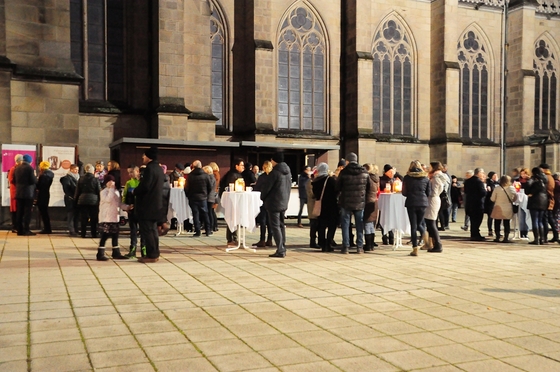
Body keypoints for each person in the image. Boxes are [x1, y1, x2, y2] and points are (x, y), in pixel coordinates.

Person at [134, 146, 165, 262]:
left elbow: (145, 186)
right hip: (156, 204)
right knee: (153, 231)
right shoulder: (159, 169)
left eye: (144, 155)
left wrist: (135, 191)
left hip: (147, 205)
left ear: (149, 157)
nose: (142, 157)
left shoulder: (149, 169)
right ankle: (155, 253)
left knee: (147, 231)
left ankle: (151, 255)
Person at [336, 152, 370, 254]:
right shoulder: (364, 172)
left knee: (345, 224)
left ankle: (346, 246)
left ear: (347, 161)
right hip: (360, 202)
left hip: (346, 202)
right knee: (359, 224)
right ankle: (360, 246)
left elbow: (337, 187)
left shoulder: (344, 172)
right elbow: (368, 187)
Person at [261, 152, 292, 258]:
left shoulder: (275, 172)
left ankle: (280, 249)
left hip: (274, 202)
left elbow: (267, 188)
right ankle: (283, 246)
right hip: (283, 201)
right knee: (281, 225)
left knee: (275, 226)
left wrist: (262, 197)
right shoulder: (288, 172)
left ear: (274, 160)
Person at [402, 160, 429, 256]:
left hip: (411, 202)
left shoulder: (407, 177)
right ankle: (426, 238)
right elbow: (428, 192)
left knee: (413, 225)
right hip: (423, 202)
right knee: (420, 223)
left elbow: (404, 192)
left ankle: (415, 248)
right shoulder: (425, 178)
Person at [96, 175, 127, 261]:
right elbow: (108, 199)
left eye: (112, 181)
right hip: (106, 217)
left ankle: (116, 252)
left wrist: (126, 207)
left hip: (114, 217)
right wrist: (111, 189)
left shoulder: (116, 191)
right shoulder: (104, 192)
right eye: (109, 181)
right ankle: (100, 253)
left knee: (115, 235)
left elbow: (118, 203)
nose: (111, 183)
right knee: (104, 235)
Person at [313, 163, 338, 252]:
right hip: (331, 205)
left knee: (321, 226)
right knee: (332, 225)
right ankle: (328, 242)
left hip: (321, 206)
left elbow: (315, 194)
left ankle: (322, 244)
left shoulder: (315, 181)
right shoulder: (330, 180)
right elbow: (336, 191)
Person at [219, 158, 245, 246]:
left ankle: (234, 238)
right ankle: (231, 239)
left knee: (234, 219)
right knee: (232, 219)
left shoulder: (234, 174)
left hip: (234, 201)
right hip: (233, 201)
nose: (243, 167)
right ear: (236, 166)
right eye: (241, 165)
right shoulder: (233, 175)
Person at [185, 160, 213, 237]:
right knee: (205, 214)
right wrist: (205, 194)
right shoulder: (205, 175)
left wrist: (188, 195)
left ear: (193, 167)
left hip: (193, 198)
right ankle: (208, 231)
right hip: (203, 198)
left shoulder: (190, 176)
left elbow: (186, 188)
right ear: (201, 166)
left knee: (195, 214)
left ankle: (197, 231)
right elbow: (210, 187)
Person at [424, 161, 446, 253]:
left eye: (430, 167)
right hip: (432, 200)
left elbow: (434, 191)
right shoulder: (435, 177)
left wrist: (426, 191)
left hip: (433, 200)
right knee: (429, 222)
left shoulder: (436, 178)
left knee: (432, 222)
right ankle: (432, 243)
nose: (429, 168)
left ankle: (438, 244)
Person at [13, 154, 37, 236]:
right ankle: (26, 229)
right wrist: (35, 176)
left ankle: (19, 230)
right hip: (28, 193)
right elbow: (32, 181)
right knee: (27, 212)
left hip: (19, 193)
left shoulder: (17, 168)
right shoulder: (30, 168)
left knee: (19, 211)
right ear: (30, 161)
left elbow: (13, 180)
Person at [75, 163, 101, 238]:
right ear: (92, 171)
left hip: (82, 200)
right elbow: (98, 190)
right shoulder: (95, 180)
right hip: (93, 201)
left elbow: (77, 191)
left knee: (83, 218)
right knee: (94, 218)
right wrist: (100, 200)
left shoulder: (81, 179)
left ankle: (83, 233)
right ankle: (93, 233)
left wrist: (76, 200)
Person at [490, 175, 518, 243]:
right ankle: (506, 237)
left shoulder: (497, 188)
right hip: (508, 207)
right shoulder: (511, 188)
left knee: (497, 222)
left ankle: (497, 237)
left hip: (498, 207)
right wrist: (512, 200)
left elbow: (492, 199)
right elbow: (515, 197)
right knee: (506, 223)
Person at [253, 160, 273, 248]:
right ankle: (270, 239)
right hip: (272, 200)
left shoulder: (262, 177)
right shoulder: (273, 176)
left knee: (263, 221)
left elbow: (257, 188)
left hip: (263, 200)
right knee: (270, 222)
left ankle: (262, 240)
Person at [526, 167, 549, 245]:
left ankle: (536, 239)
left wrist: (530, 179)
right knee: (540, 221)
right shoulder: (545, 179)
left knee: (535, 220)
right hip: (543, 200)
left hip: (535, 201)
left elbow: (527, 188)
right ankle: (542, 239)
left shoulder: (535, 180)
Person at [122, 165, 140, 257]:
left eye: (131, 172)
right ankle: (132, 249)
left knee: (143, 231)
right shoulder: (129, 183)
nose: (130, 174)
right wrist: (126, 206)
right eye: (128, 172)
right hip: (132, 209)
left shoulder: (142, 182)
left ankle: (144, 249)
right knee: (133, 230)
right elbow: (125, 196)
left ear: (137, 171)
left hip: (141, 210)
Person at [463, 167, 487, 241]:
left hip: (470, 203)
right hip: (478, 204)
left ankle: (474, 233)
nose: (483, 174)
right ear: (479, 173)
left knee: (473, 219)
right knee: (478, 219)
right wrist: (486, 190)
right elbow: (483, 193)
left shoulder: (467, 181)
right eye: (482, 173)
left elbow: (466, 191)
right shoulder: (479, 182)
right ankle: (476, 234)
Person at [362, 163, 379, 252]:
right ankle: (371, 244)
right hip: (374, 202)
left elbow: (364, 189)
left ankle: (368, 245)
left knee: (367, 223)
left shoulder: (367, 178)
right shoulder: (376, 178)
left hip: (367, 201)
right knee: (371, 224)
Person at [60, 164, 80, 236]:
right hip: (70, 198)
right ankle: (72, 230)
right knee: (71, 215)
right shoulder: (67, 178)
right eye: (75, 170)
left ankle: (76, 229)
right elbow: (67, 189)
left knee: (76, 215)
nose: (77, 171)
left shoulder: (78, 177)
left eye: (77, 170)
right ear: (71, 169)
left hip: (77, 199)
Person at [540, 163, 557, 243]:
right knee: (550, 219)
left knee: (546, 219)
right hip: (549, 200)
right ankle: (555, 235)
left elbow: (548, 189)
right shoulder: (550, 177)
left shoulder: (546, 177)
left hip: (547, 200)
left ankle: (545, 237)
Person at [379, 164, 396, 245]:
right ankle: (384, 237)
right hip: (384, 202)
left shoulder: (394, 179)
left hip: (392, 202)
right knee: (384, 219)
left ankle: (391, 237)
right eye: (390, 171)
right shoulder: (381, 179)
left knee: (392, 219)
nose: (392, 173)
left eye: (392, 171)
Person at [36, 161, 54, 234]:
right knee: (45, 211)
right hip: (46, 194)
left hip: (42, 195)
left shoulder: (43, 175)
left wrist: (36, 181)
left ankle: (47, 228)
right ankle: (47, 228)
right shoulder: (50, 174)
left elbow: (39, 186)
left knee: (43, 212)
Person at [8, 154, 23, 233]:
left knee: (18, 209)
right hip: (15, 192)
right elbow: (11, 179)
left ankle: (18, 226)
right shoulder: (13, 169)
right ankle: (15, 226)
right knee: (15, 209)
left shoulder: (17, 168)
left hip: (18, 191)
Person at [306, 167, 319, 248]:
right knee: (313, 225)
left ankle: (315, 241)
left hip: (316, 205)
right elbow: (311, 194)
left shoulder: (315, 181)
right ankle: (312, 242)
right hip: (312, 206)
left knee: (317, 224)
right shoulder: (310, 182)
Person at [518, 167, 531, 239]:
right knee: (521, 217)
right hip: (520, 199)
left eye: (524, 173)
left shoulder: (529, 180)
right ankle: (521, 232)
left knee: (527, 216)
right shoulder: (517, 180)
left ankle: (526, 232)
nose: (523, 175)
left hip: (527, 199)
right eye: (521, 173)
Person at [485, 171, 499, 237]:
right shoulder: (488, 182)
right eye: (494, 176)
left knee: (497, 217)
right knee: (490, 217)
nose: (496, 177)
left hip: (497, 202)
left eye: (496, 175)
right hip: (490, 202)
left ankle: (497, 231)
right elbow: (491, 190)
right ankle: (490, 230)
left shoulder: (498, 182)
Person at [209, 162, 221, 232]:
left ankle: (214, 225)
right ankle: (215, 226)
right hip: (215, 193)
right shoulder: (217, 174)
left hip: (213, 194)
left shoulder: (214, 174)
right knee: (212, 211)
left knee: (211, 211)